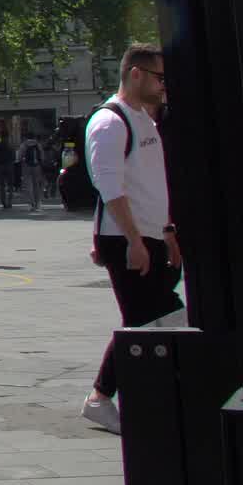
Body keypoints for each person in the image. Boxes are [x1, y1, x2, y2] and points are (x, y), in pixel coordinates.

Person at [80, 43, 180, 436]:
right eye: (159, 77)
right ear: (135, 74)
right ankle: (101, 398)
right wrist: (135, 241)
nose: (163, 85)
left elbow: (152, 185)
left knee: (150, 321)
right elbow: (111, 189)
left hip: (149, 236)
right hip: (126, 239)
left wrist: (168, 231)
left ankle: (115, 398)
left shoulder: (144, 119)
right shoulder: (110, 122)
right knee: (153, 319)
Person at [0, 124, 17, 210]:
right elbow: (14, 157)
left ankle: (4, 202)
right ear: (8, 136)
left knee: (2, 186)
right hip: (9, 166)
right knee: (10, 186)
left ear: (0, 136)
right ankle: (10, 202)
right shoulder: (11, 146)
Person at [19, 132, 45, 211]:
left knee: (28, 185)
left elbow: (20, 155)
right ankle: (37, 203)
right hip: (37, 166)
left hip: (26, 166)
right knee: (36, 185)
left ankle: (31, 203)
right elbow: (42, 155)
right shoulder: (38, 144)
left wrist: (21, 162)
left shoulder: (24, 145)